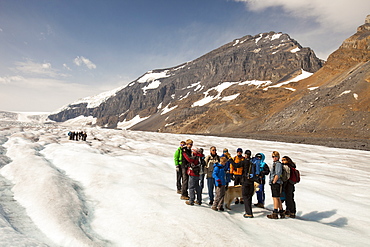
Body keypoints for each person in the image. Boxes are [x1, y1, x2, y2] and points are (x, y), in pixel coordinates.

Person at [229, 149, 255, 218]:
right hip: (251, 181)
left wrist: (230, 160)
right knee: (249, 197)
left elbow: (236, 165)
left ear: (246, 155)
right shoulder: (253, 162)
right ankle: (250, 212)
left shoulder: (244, 162)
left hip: (245, 181)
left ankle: (248, 213)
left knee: (245, 196)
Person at [267, 151, 284, 219]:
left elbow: (278, 173)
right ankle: (281, 211)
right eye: (273, 156)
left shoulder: (278, 164)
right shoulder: (275, 164)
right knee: (278, 197)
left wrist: (274, 181)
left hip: (276, 183)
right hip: (276, 182)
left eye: (275, 156)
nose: (274, 158)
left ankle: (275, 212)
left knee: (275, 197)